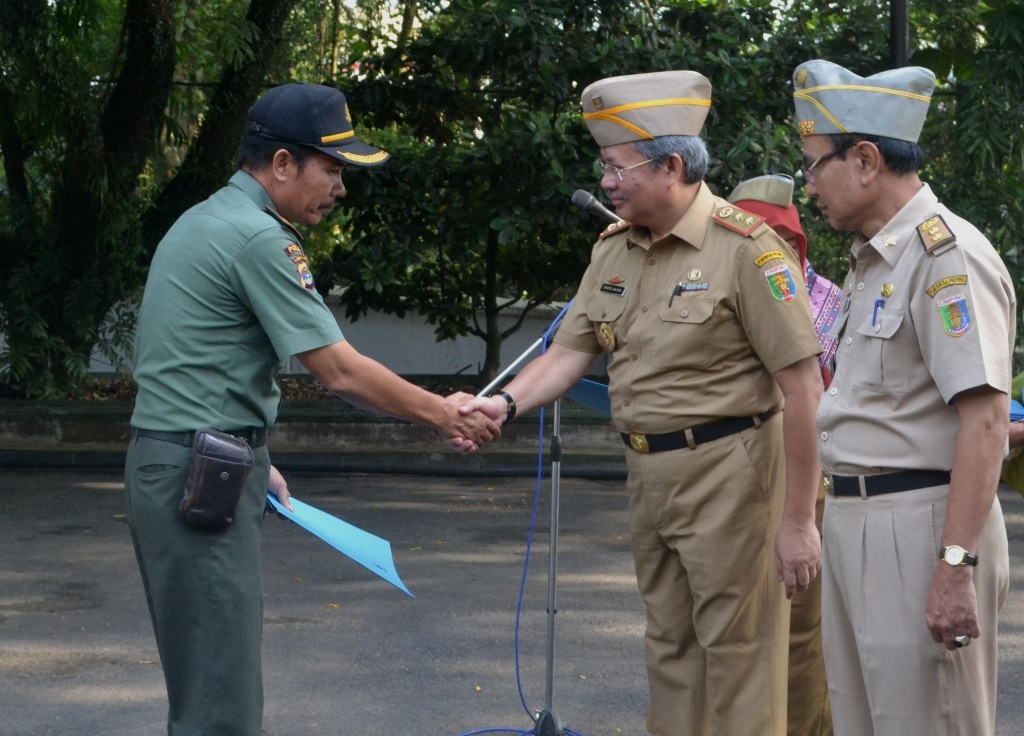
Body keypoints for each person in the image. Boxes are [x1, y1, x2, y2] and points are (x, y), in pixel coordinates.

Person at [124, 82, 499, 736]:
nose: (340, 187)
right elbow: (340, 370)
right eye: (332, 169)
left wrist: (252, 455)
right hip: (196, 475)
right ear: (281, 164)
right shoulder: (257, 238)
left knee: (206, 686)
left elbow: (192, 360)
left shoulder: (206, 217)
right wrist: (445, 413)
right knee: (222, 708)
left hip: (190, 460)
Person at [462, 70, 825, 736]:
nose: (606, 183)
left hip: (732, 472)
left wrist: (799, 521)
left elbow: (803, 388)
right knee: (670, 650)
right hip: (648, 475)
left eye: (616, 168)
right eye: (604, 168)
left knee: (743, 656)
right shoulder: (612, 249)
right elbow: (568, 354)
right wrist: (504, 405)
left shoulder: (747, 250)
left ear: (672, 166)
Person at [791, 60, 1014, 736]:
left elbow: (985, 420)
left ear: (863, 160)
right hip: (856, 519)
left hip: (919, 527)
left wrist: (955, 566)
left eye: (812, 166)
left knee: (928, 723)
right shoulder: (873, 262)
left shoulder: (946, 257)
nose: (807, 187)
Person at [728, 174, 838, 736]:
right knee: (738, 632)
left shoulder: (831, 302)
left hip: (808, 480)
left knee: (800, 634)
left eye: (780, 240)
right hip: (739, 481)